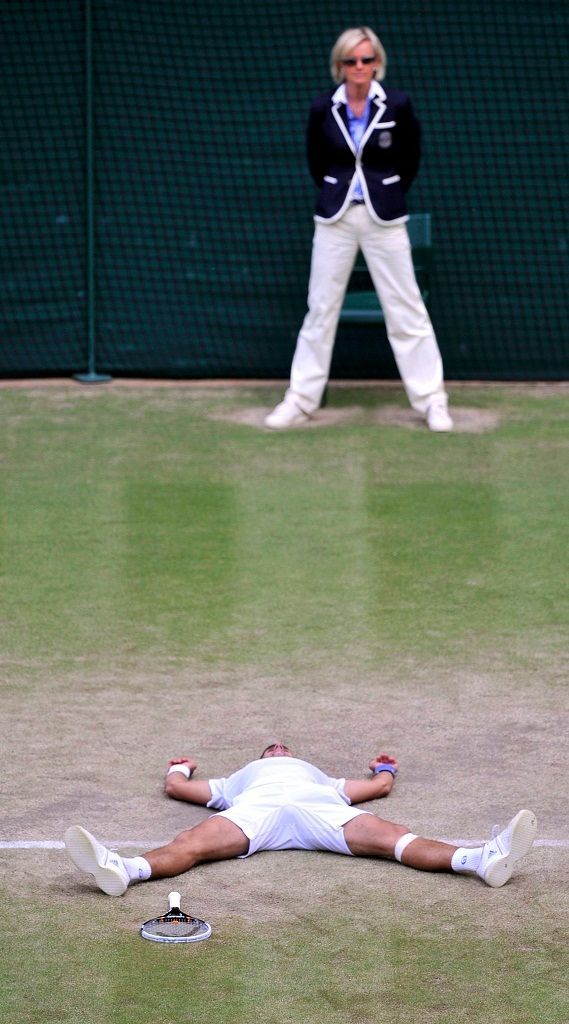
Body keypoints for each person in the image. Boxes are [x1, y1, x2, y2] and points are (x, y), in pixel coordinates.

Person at [265, 26, 453, 433]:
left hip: (384, 218)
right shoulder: (323, 108)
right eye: (351, 60)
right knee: (320, 309)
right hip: (335, 218)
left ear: (378, 63)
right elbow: (317, 161)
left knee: (407, 311)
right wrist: (341, 193)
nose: (359, 67)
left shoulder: (397, 105)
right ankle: (299, 400)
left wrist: (384, 192)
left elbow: (410, 159)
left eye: (366, 60)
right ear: (339, 65)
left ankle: (432, 402)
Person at [64, 740, 537, 896]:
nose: (279, 747)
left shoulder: (321, 779)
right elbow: (176, 788)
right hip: (259, 813)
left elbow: (378, 789)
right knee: (191, 841)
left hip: (320, 812)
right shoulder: (239, 780)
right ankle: (123, 869)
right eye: (273, 748)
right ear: (265, 756)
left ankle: (481, 860)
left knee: (392, 837)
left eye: (282, 747)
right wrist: (180, 769)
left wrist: (383, 769)